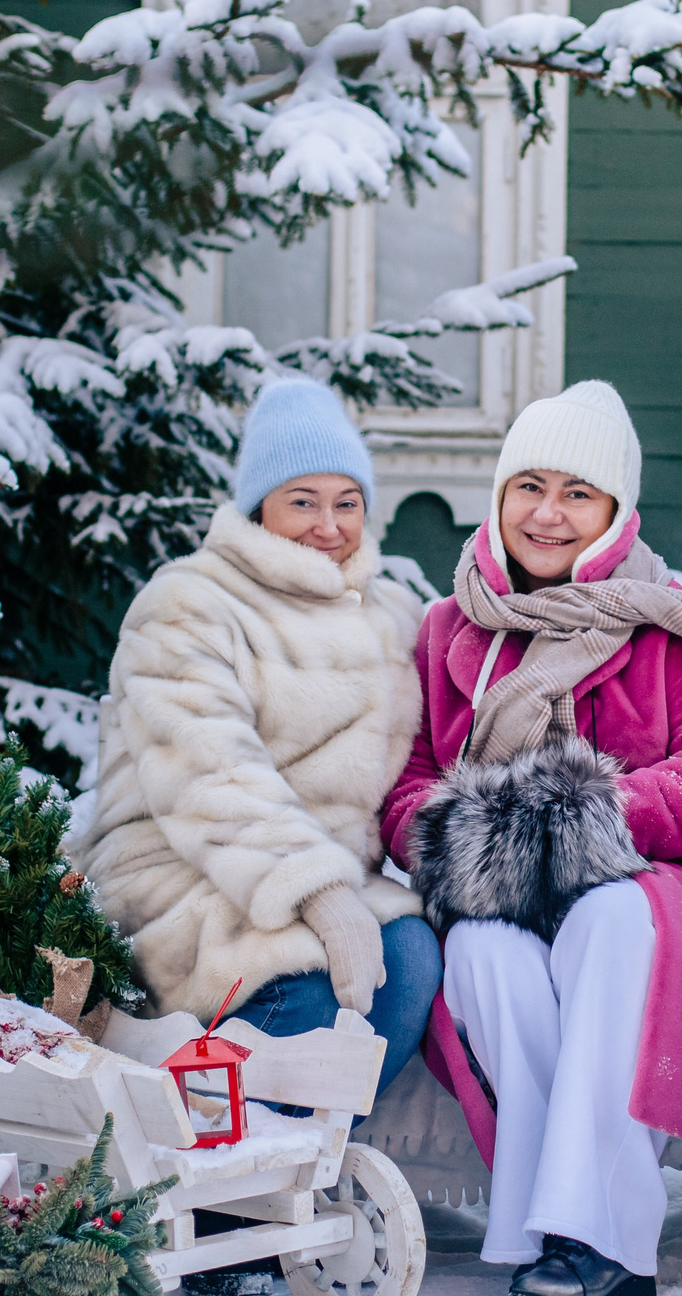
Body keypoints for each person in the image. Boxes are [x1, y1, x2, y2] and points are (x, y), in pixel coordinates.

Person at [380, 380, 682, 1296]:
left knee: (605, 913)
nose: (547, 514)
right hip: (493, 893)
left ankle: (609, 1237)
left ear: (614, 513)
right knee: (478, 952)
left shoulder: (670, 623)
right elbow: (408, 786)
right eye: (529, 486)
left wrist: (573, 829)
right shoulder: (448, 628)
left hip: (651, 892)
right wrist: (475, 848)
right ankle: (545, 1222)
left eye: (576, 494)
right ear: (501, 494)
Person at [78, 374, 441, 1085]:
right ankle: (229, 1168)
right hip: (184, 875)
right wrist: (319, 890)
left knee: (413, 958)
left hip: (325, 883)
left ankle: (304, 1159)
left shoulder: (392, 615)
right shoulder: (188, 602)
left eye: (347, 503)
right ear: (257, 508)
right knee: (307, 980)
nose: (328, 527)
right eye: (301, 502)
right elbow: (209, 770)